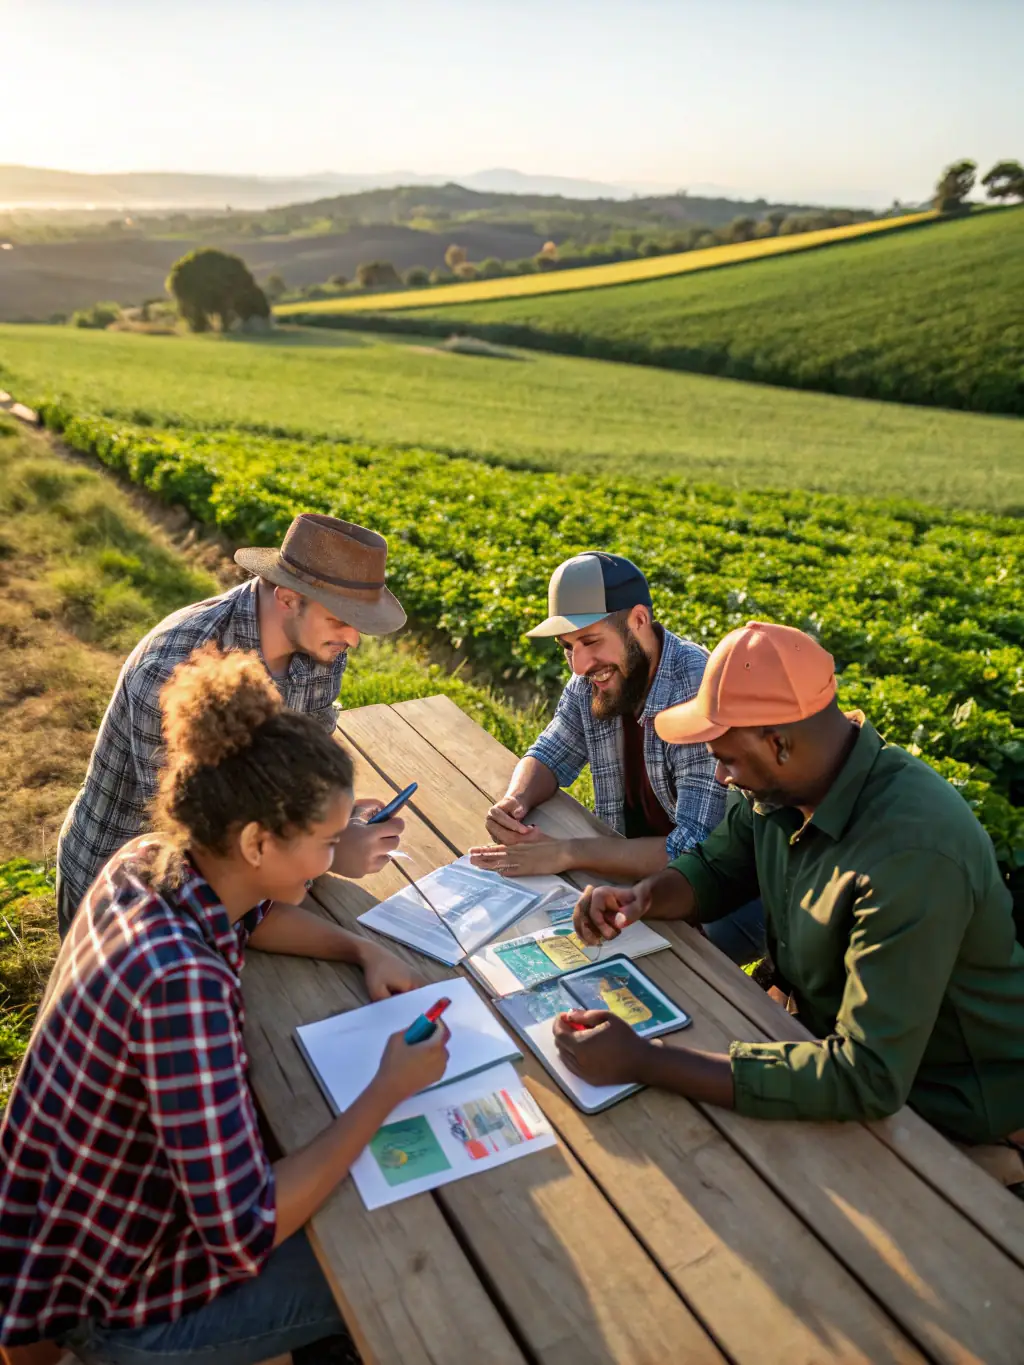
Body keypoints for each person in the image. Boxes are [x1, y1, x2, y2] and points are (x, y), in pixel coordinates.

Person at [0, 646, 448, 1364]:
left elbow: (252, 917)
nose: (335, 858)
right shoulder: (184, 986)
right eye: (328, 843)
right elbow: (247, 1226)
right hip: (126, 1314)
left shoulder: (146, 860)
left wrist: (359, 949)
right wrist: (386, 1090)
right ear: (256, 840)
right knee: (387, 1249)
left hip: (54, 1247)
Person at [559, 620, 1024, 1157]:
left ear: (778, 743)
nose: (721, 779)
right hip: (823, 1042)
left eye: (727, 760)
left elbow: (866, 1078)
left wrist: (647, 1061)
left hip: (945, 1096)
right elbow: (714, 869)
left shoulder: (912, 857)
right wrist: (643, 897)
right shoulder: (785, 786)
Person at [56, 511, 409, 940]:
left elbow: (302, 765)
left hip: (253, 878)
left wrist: (333, 818)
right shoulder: (175, 668)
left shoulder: (322, 645)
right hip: (127, 894)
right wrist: (328, 853)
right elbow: (193, 835)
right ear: (288, 598)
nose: (352, 638)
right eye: (340, 619)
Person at [469, 552, 764, 965]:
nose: (580, 663)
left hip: (726, 899)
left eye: (590, 641)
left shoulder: (696, 692)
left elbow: (693, 849)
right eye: (567, 647)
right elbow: (551, 751)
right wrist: (515, 801)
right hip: (633, 875)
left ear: (638, 620)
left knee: (663, 973)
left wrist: (568, 852)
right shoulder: (594, 676)